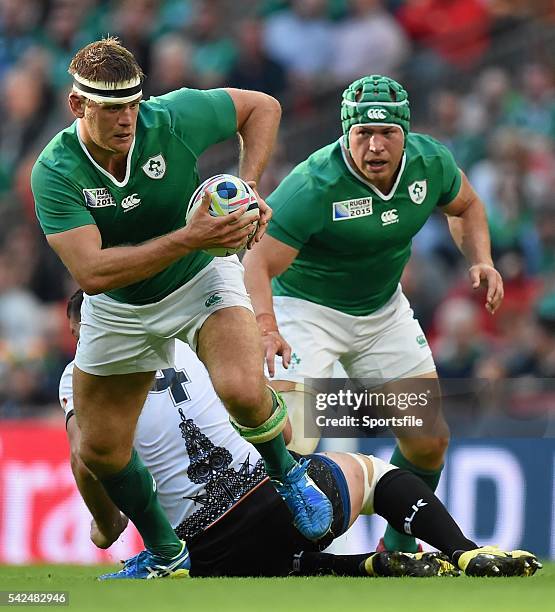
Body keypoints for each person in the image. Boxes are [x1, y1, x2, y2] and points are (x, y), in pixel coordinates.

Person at [31, 37, 332, 579]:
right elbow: (93, 273)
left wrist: (248, 185)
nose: (127, 119)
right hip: (117, 303)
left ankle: (290, 476)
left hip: (199, 280)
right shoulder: (55, 170)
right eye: (110, 107)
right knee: (99, 452)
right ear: (78, 106)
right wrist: (190, 236)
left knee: (242, 389)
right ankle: (169, 556)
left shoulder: (172, 118)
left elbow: (262, 106)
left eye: (133, 104)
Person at [61, 289, 540, 579]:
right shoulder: (192, 338)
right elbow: (282, 426)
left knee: (259, 561)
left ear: (83, 333)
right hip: (277, 507)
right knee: (375, 475)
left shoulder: (75, 376)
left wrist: (106, 526)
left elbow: (86, 459)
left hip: (203, 554)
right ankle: (464, 552)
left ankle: (363, 568)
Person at [242, 74, 504, 554]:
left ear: (406, 134)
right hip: (305, 311)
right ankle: (267, 547)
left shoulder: (431, 163)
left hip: (382, 312)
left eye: (388, 134)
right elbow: (256, 259)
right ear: (346, 133)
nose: (376, 145)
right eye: (363, 133)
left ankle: (399, 547)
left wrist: (481, 260)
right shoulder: (315, 182)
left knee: (428, 441)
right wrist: (265, 325)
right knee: (291, 437)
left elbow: (466, 206)